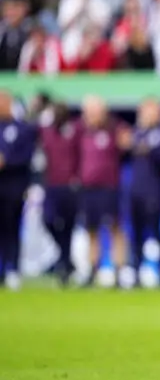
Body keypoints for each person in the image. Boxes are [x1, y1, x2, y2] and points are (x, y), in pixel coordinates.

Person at [77, 95, 131, 287]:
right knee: (91, 230)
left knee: (115, 228)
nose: (92, 115)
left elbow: (127, 144)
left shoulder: (114, 129)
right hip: (88, 188)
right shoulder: (80, 131)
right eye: (89, 112)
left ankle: (119, 270)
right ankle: (93, 269)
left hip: (109, 188)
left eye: (96, 111)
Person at [129, 99, 160, 285]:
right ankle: (136, 270)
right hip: (135, 190)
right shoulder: (137, 132)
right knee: (136, 233)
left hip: (154, 190)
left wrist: (146, 149)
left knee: (156, 231)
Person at [39, 103, 81, 285]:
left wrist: (78, 176)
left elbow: (81, 154)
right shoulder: (47, 131)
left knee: (69, 226)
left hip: (71, 185)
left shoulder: (74, 131)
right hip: (52, 184)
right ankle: (66, 258)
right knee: (48, 220)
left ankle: (65, 264)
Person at [0, 91, 37, 290]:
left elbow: (27, 156)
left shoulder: (22, 128)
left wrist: (7, 161)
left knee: (12, 228)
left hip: (13, 187)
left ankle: (12, 269)